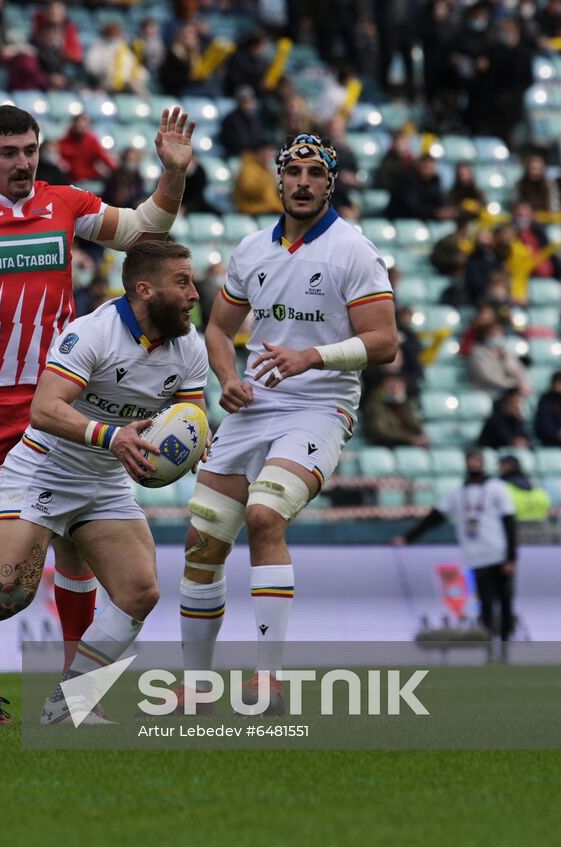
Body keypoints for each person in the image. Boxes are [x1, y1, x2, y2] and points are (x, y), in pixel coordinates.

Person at [0, 97, 197, 724]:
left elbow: (142, 228)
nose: (25, 163)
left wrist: (173, 174)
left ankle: (71, 694)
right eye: (10, 154)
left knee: (78, 553)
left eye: (31, 150)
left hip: (66, 396)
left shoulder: (65, 203)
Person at [181, 133, 397, 712]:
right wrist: (226, 376)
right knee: (203, 541)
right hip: (256, 405)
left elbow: (385, 342)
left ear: (331, 182)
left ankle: (267, 679)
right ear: (279, 180)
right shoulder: (253, 248)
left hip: (321, 403)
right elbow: (219, 330)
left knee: (263, 513)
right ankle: (196, 684)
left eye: (315, 174)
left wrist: (312, 357)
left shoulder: (353, 249)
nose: (303, 183)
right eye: (294, 172)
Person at [396, 448, 518, 645]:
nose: (474, 464)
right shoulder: (458, 493)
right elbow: (434, 517)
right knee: (485, 603)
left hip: (499, 554)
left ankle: (504, 644)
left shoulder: (497, 487)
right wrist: (408, 538)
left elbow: (510, 522)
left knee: (504, 601)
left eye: (477, 460)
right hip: (476, 556)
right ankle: (489, 645)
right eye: (471, 460)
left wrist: (511, 557)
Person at [361, 372, 428, 447]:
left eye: (399, 387)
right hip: (385, 446)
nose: (395, 390)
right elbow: (380, 431)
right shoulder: (374, 404)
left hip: (407, 444)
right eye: (391, 386)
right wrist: (411, 439)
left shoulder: (407, 403)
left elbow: (416, 424)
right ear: (381, 387)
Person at [497, 453, 551, 538]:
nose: (499, 468)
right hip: (538, 525)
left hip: (514, 527)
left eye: (501, 465)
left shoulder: (501, 485)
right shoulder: (533, 484)